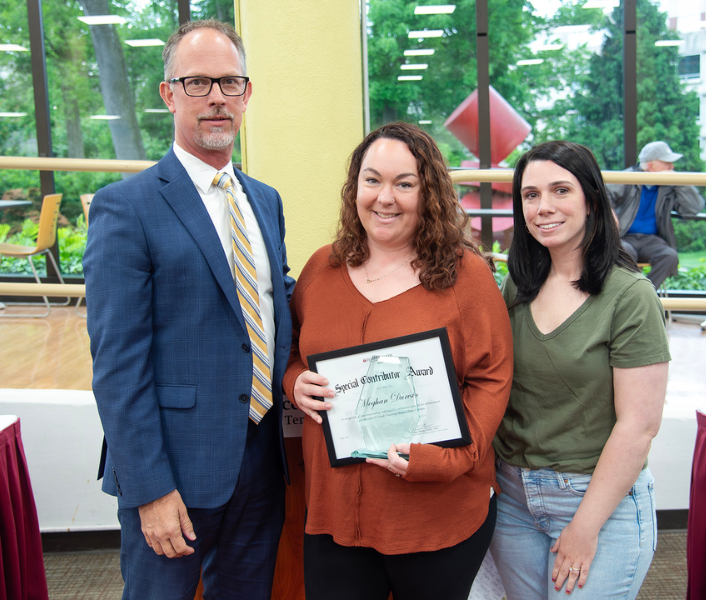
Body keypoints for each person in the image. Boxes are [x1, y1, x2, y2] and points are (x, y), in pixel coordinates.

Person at [83, 19, 294, 599]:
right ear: (168, 93)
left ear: (247, 93)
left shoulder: (266, 201)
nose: (217, 97)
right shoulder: (124, 208)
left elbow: (275, 301)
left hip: (261, 460)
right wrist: (148, 489)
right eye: (198, 82)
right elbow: (117, 366)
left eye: (230, 82)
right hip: (172, 472)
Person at [284, 122, 513, 600]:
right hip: (334, 515)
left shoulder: (465, 276)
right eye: (372, 180)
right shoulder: (321, 269)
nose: (384, 198)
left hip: (435, 515)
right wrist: (293, 383)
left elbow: (492, 378)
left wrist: (448, 460)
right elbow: (291, 354)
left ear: (428, 192)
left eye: (404, 184)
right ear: (355, 188)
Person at [489, 140, 670, 599]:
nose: (543, 207)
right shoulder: (516, 286)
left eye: (560, 191)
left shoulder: (630, 295)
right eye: (531, 195)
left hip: (597, 503)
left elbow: (639, 427)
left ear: (590, 200)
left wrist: (585, 527)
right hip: (514, 499)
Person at [607, 140, 704, 289]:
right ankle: (631, 297)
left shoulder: (668, 185)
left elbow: (694, 207)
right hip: (623, 237)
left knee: (669, 256)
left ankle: (645, 294)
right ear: (651, 166)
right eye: (667, 163)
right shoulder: (626, 178)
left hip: (651, 240)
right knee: (625, 253)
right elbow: (602, 199)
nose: (672, 167)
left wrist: (680, 181)